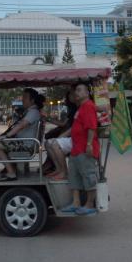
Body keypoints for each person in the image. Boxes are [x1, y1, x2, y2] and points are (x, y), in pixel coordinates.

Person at [61, 83, 100, 216]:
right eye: (75, 90)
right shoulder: (81, 107)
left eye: (79, 90)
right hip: (76, 149)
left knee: (88, 176)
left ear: (87, 93)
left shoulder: (88, 106)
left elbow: (92, 127)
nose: (76, 93)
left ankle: (89, 204)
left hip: (85, 149)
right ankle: (76, 203)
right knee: (74, 177)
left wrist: (89, 144)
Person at [0, 88, 42, 182]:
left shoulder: (33, 112)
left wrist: (7, 136)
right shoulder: (30, 111)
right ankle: (11, 167)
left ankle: (11, 172)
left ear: (32, 100)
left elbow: (22, 125)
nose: (22, 99)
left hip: (26, 145)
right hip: (23, 142)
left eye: (25, 97)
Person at [44, 89, 78, 180]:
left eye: (72, 93)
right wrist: (48, 119)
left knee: (54, 143)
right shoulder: (73, 109)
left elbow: (72, 128)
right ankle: (59, 169)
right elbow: (64, 124)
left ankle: (64, 172)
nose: (70, 96)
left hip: (77, 139)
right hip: (72, 136)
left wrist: (61, 137)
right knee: (48, 143)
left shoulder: (80, 108)